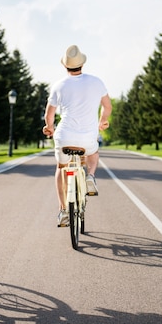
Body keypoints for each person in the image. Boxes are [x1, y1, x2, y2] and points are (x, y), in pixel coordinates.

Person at [42, 45, 112, 227]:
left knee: (61, 167)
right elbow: (107, 106)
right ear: (82, 63)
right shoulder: (97, 82)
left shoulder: (59, 85)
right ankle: (91, 176)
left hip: (64, 136)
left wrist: (49, 128)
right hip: (88, 137)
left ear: (65, 66)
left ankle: (63, 210)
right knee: (93, 153)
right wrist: (103, 121)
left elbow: (49, 115)